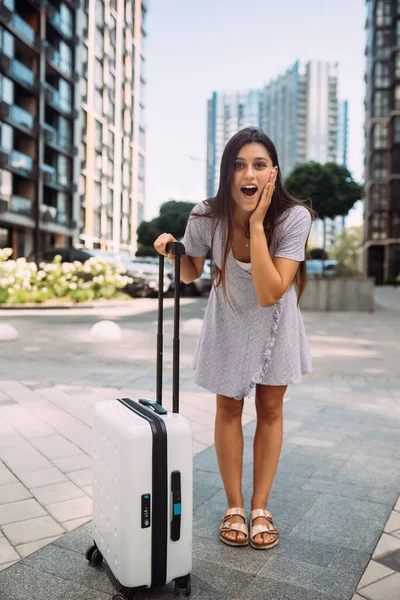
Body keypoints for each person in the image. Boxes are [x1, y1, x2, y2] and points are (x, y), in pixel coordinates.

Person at [154, 127, 314, 550]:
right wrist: (174, 250)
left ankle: (261, 507)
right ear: (226, 174)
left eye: (259, 165)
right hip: (227, 318)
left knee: (270, 409)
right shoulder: (207, 215)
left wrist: (258, 225)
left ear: (272, 174)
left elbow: (269, 292)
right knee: (228, 408)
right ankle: (235, 506)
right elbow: (190, 273)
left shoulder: (294, 217)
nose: (249, 173)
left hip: (275, 320)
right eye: (239, 164)